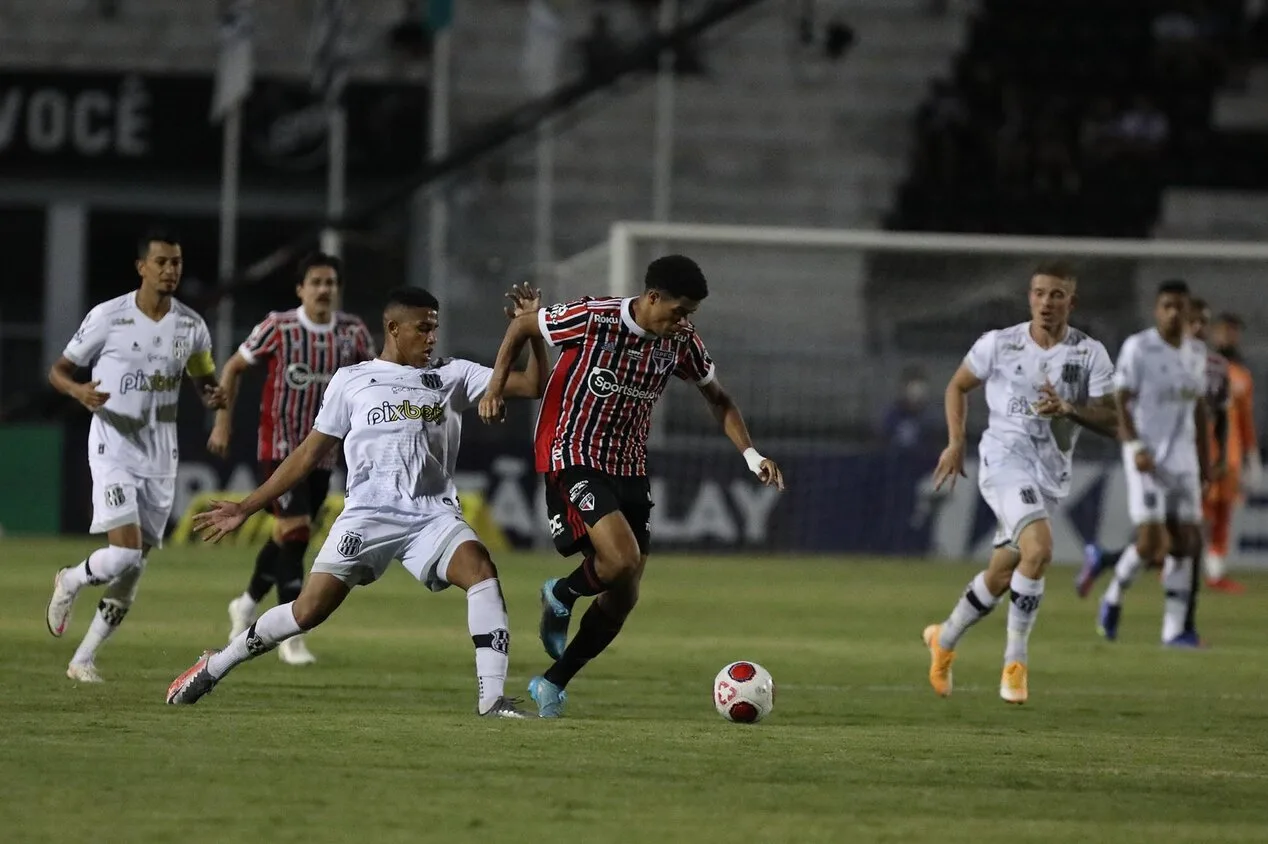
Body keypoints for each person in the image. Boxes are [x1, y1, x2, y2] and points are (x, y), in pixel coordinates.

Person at [166, 285, 548, 717]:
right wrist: (246, 506)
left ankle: (492, 700)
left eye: (435, 329)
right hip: (366, 516)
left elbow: (534, 383)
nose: (431, 338)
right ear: (393, 328)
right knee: (307, 611)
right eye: (422, 328)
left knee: (481, 571)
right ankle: (215, 664)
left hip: (431, 516)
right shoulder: (351, 381)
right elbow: (308, 453)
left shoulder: (452, 374)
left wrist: (531, 328)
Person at [478, 255, 786, 718]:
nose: (683, 322)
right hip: (573, 454)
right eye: (678, 311)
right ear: (653, 297)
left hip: (629, 467)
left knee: (625, 593)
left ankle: (552, 682)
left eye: (690, 315)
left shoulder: (680, 342)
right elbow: (523, 326)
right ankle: (560, 594)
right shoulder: (594, 317)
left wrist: (752, 454)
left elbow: (718, 398)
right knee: (622, 558)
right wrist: (495, 388)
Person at [923, 260, 1116, 704]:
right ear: (1029, 297)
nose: (1046, 302)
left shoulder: (1089, 354)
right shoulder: (999, 344)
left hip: (1051, 472)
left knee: (1003, 570)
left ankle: (944, 638)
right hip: (1003, 462)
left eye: (1056, 295)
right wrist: (955, 443)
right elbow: (957, 386)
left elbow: (1113, 417)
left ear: (1072, 301)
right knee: (1040, 550)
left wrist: (1070, 410)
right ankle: (1016, 662)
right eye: (1039, 293)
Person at [45, 228, 226, 682]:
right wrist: (78, 390)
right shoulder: (108, 317)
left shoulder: (191, 326)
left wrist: (215, 402)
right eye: (161, 262)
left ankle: (83, 659)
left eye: (177, 263)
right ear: (141, 267)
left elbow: (204, 379)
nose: (170, 270)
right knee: (123, 556)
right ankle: (70, 579)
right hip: (113, 444)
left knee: (134, 567)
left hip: (161, 455)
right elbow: (59, 371)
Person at [208, 253, 376, 665]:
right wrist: (222, 422)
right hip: (280, 450)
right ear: (300, 289)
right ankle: (291, 638)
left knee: (285, 536)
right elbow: (232, 367)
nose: (324, 289)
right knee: (297, 533)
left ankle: (246, 604)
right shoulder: (279, 327)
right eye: (316, 282)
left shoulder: (352, 333)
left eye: (331, 283)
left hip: (324, 452)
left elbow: (374, 379)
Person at [1077, 296, 1228, 615]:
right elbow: (1129, 404)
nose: (1198, 328)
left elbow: (1217, 417)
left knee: (1184, 543)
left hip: (1190, 460)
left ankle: (1178, 624)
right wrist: (1137, 445)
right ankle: (1163, 615)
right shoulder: (1151, 356)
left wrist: (1215, 457)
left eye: (1204, 322)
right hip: (1156, 458)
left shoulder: (1212, 366)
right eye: (1193, 321)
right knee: (1160, 545)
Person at [1095, 280, 1212, 648]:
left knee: (1187, 541)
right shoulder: (1139, 347)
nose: (1174, 313)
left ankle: (1174, 630)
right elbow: (1121, 400)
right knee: (1149, 544)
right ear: (1157, 310)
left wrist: (1206, 462)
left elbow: (1199, 409)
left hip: (1183, 458)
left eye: (1180, 306)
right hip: (1145, 454)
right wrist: (1135, 445)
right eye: (1167, 306)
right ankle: (1113, 595)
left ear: (1189, 311)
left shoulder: (1196, 353)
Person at [1203, 312, 1260, 592]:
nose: (1229, 336)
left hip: (1231, 458)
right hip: (1202, 454)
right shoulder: (1200, 366)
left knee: (1223, 516)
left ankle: (1215, 574)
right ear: (1214, 333)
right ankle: (1173, 566)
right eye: (1224, 330)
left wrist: (1252, 456)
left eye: (1233, 331)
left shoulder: (1242, 375)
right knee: (1194, 515)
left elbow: (1245, 420)